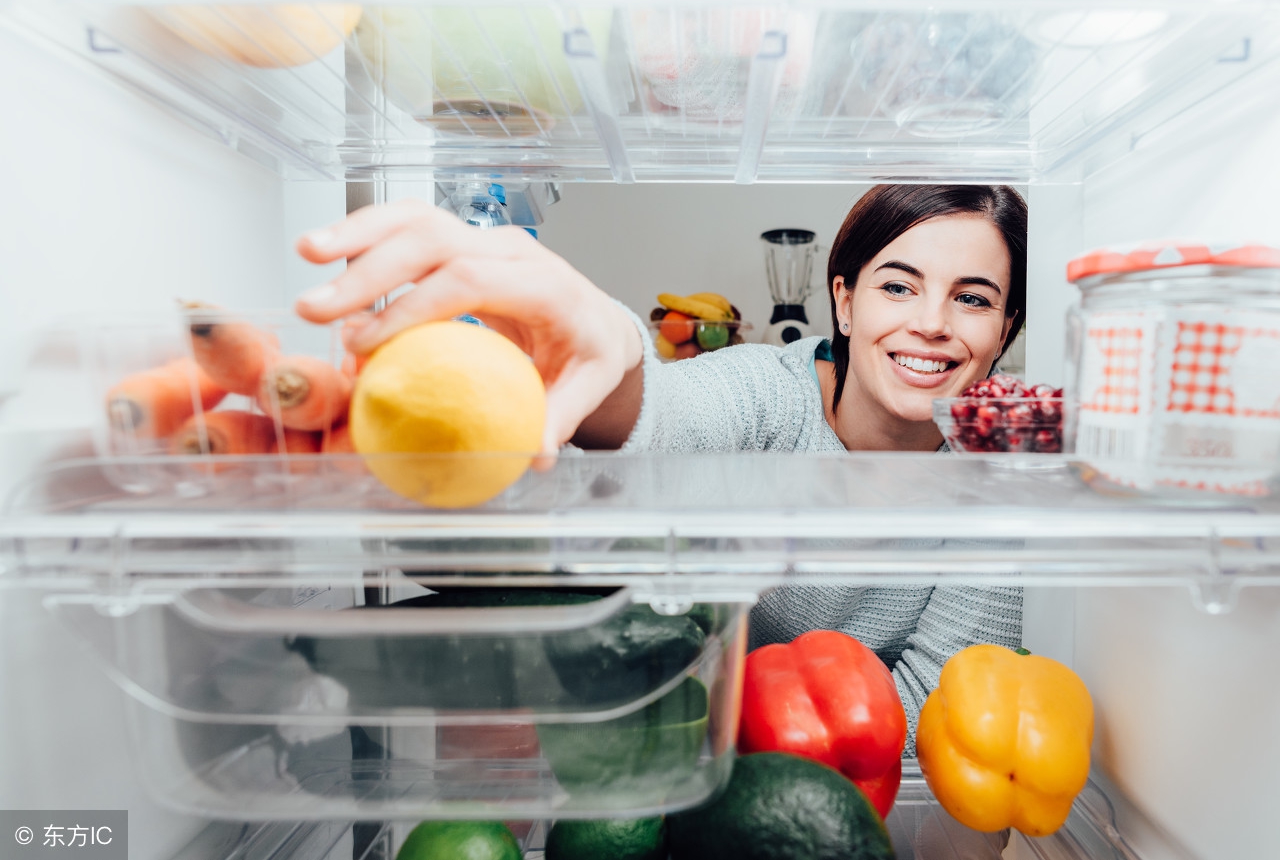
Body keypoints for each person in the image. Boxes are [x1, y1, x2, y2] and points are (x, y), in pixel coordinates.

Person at [295, 184, 1027, 754]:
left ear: (1004, 332)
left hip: (847, 785)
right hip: (677, 744)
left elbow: (946, 706)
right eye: (898, 286)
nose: (932, 321)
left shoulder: (997, 480)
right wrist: (607, 343)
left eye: (972, 298)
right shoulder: (768, 390)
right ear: (842, 300)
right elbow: (667, 416)